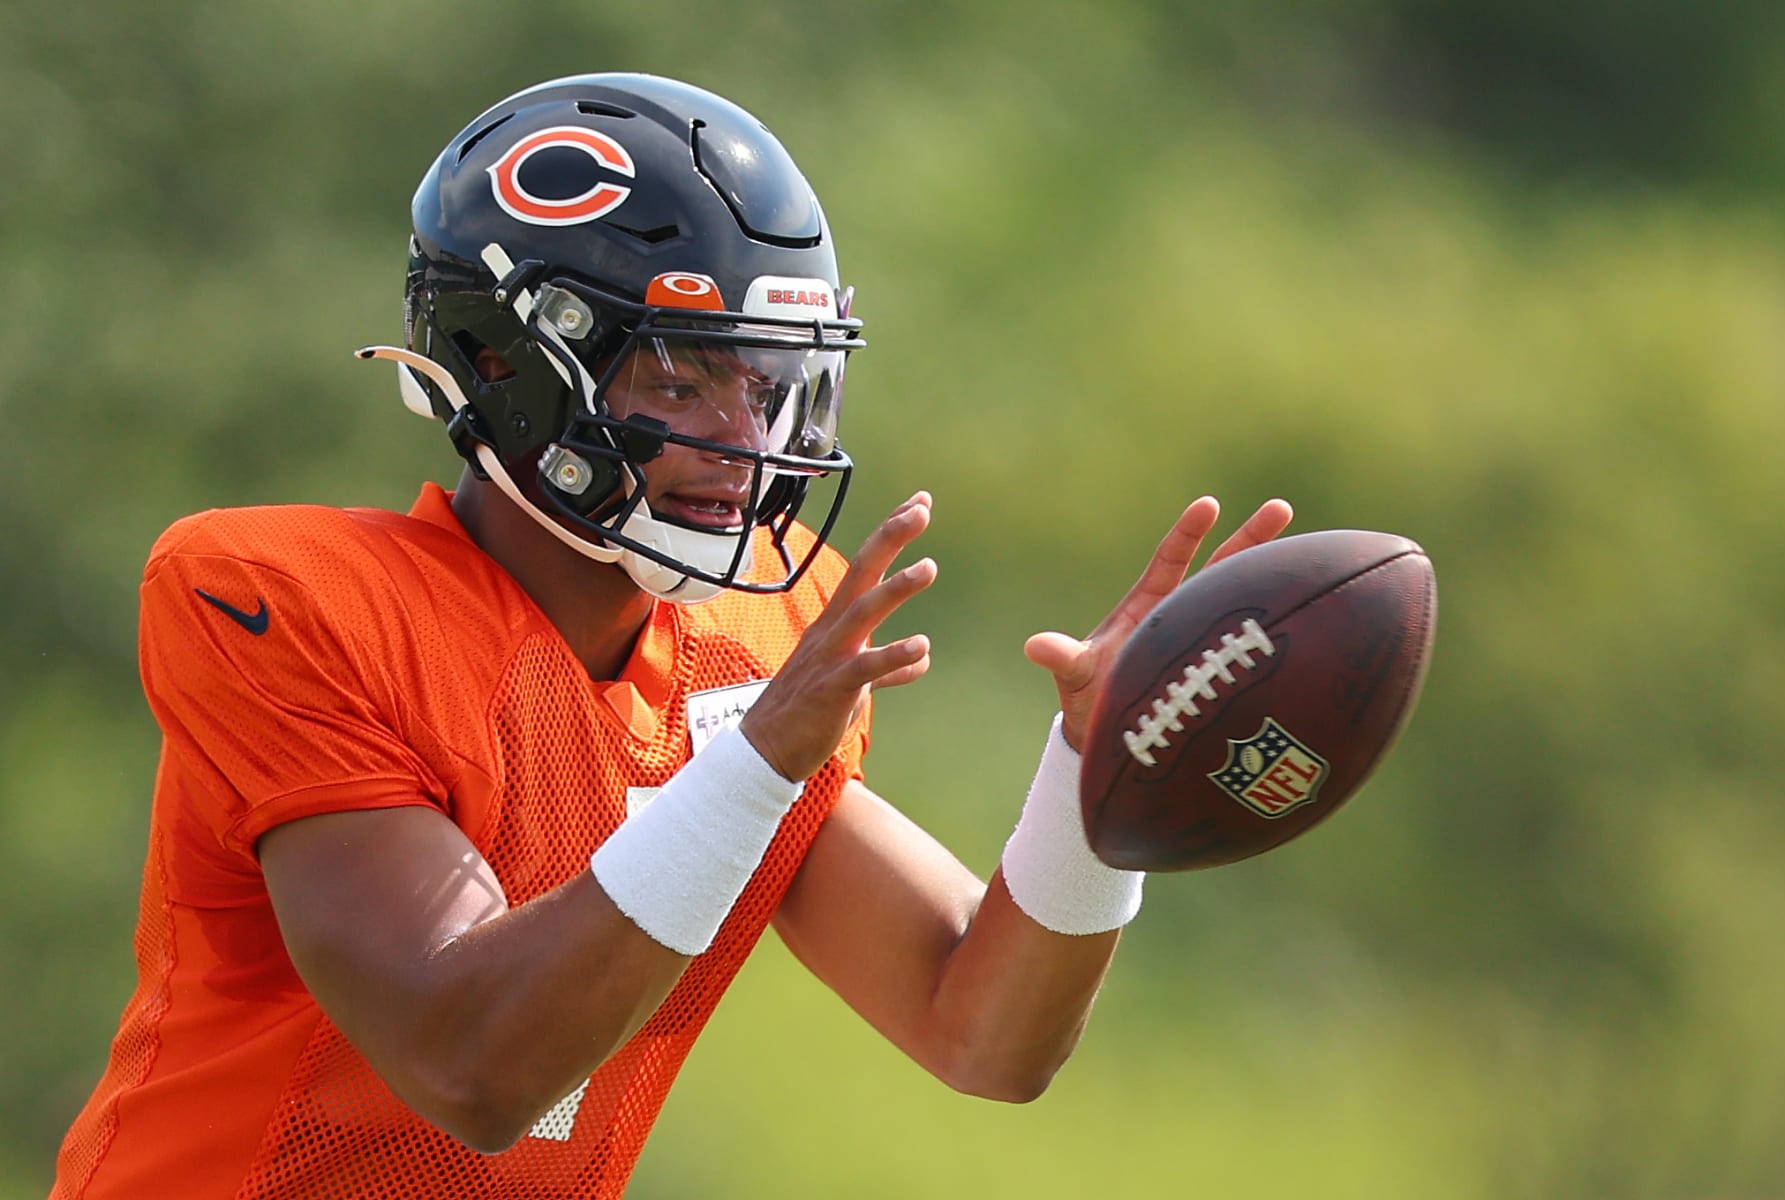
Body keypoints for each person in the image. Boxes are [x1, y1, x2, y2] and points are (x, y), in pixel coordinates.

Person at [51, 73, 1291, 1199]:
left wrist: (1094, 779)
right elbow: (472, 1064)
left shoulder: (757, 634)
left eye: (767, 384)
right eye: (682, 380)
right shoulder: (285, 597)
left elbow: (985, 1036)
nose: (745, 445)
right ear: (504, 363)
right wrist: (754, 768)